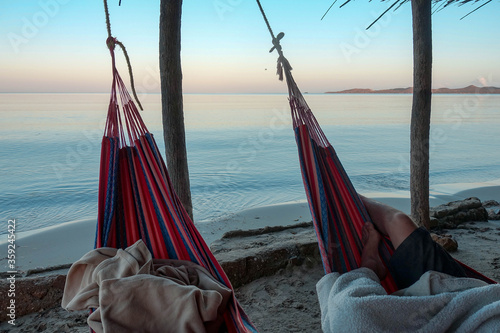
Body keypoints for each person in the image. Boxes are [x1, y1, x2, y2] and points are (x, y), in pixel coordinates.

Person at [316, 196, 500, 332]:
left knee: (349, 312)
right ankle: (346, 196)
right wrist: (342, 193)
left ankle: (370, 267)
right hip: (467, 303)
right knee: (397, 221)